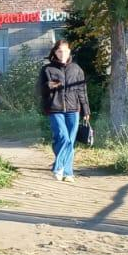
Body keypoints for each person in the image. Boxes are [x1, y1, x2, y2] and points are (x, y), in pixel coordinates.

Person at [37, 39, 90, 182]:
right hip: (55, 108)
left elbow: (82, 90)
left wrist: (86, 110)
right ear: (55, 52)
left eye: (65, 51)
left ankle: (68, 172)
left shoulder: (76, 69)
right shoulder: (47, 69)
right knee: (63, 138)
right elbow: (39, 90)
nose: (62, 54)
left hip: (74, 109)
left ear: (69, 52)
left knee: (70, 141)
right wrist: (49, 85)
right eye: (59, 51)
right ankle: (58, 168)